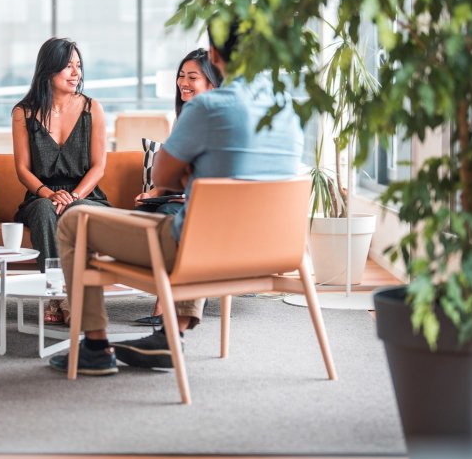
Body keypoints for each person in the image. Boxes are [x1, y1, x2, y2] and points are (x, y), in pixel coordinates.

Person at [48, 20, 303, 376]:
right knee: (203, 219)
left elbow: (162, 177)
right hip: (273, 249)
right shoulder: (287, 108)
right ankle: (169, 337)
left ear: (214, 55)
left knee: (75, 219)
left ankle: (94, 346)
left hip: (200, 249)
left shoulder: (208, 107)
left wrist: (188, 172)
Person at [11, 37, 110, 325]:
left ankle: (74, 297)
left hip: (85, 195)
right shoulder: (24, 112)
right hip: (41, 196)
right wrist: (49, 194)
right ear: (48, 69)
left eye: (78, 66)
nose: (76, 72)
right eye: (68, 66)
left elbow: (99, 166)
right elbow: (22, 169)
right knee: (44, 210)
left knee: (76, 211)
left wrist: (75, 196)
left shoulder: (93, 108)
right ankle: (56, 296)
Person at [132, 48, 222, 327]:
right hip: (187, 200)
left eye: (192, 77)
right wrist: (153, 194)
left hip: (213, 205)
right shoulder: (184, 119)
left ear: (212, 83)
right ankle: (170, 304)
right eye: (181, 75)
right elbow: (171, 176)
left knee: (172, 219)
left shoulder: (219, 120)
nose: (183, 82)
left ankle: (165, 307)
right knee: (163, 212)